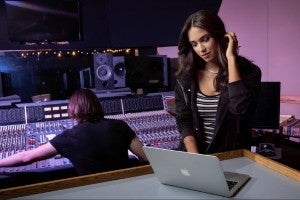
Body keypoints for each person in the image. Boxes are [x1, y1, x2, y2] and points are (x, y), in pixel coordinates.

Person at [0, 88, 148, 175]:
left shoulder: (69, 137)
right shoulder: (120, 126)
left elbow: (26, 157)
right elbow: (146, 157)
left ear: (72, 110)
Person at [175, 10, 262, 154]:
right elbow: (184, 120)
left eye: (205, 39)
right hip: (194, 156)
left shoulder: (249, 72)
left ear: (219, 36)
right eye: (194, 44)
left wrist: (231, 58)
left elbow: (241, 110)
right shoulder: (186, 77)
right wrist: (195, 158)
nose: (201, 49)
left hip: (231, 157)